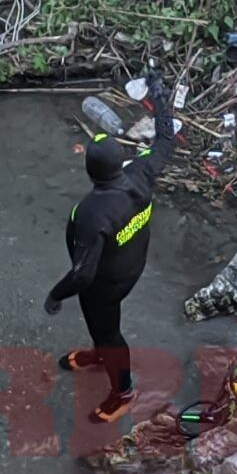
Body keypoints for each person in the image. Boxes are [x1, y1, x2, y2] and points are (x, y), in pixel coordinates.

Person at [42, 75, 179, 423]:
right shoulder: (141, 173)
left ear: (90, 170)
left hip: (103, 284)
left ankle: (122, 391)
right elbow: (166, 139)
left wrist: (56, 295)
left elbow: (82, 273)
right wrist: (161, 102)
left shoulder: (93, 212)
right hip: (132, 265)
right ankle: (101, 354)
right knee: (104, 329)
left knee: (109, 331)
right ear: (120, 162)